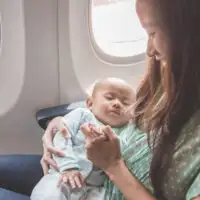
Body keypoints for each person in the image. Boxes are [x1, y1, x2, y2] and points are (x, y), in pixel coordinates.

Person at [40, 0, 200, 199]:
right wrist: (61, 126)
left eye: (152, 33)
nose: (150, 50)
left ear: (188, 36)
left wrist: (113, 166)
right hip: (84, 171)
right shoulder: (173, 81)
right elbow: (122, 115)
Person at [31, 78, 135, 200]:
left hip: (96, 188)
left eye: (125, 102)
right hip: (63, 174)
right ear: (90, 103)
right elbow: (62, 138)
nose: (117, 103)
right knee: (50, 193)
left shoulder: (127, 132)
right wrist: (69, 167)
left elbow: (124, 156)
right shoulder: (81, 115)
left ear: (132, 113)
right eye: (110, 98)